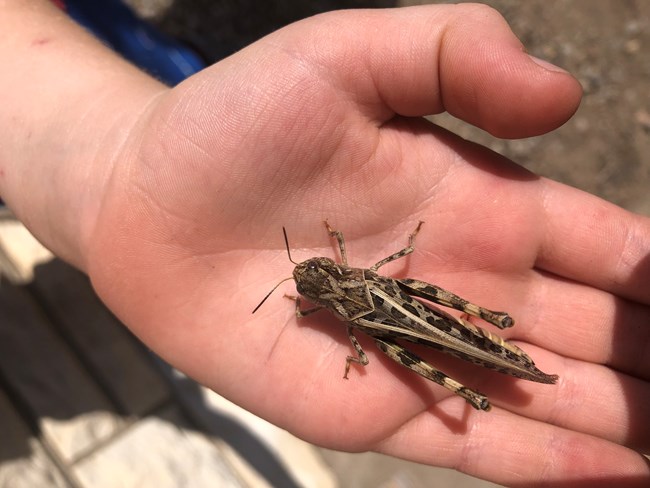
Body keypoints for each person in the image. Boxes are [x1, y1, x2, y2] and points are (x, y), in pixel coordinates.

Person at [1, 1, 648, 485]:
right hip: (395, 317)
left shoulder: (334, 301)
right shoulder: (340, 295)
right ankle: (495, 371)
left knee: (435, 315)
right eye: (310, 279)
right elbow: (369, 308)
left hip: (402, 304)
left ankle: (500, 360)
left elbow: (379, 297)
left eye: (309, 273)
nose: (309, 277)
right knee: (424, 344)